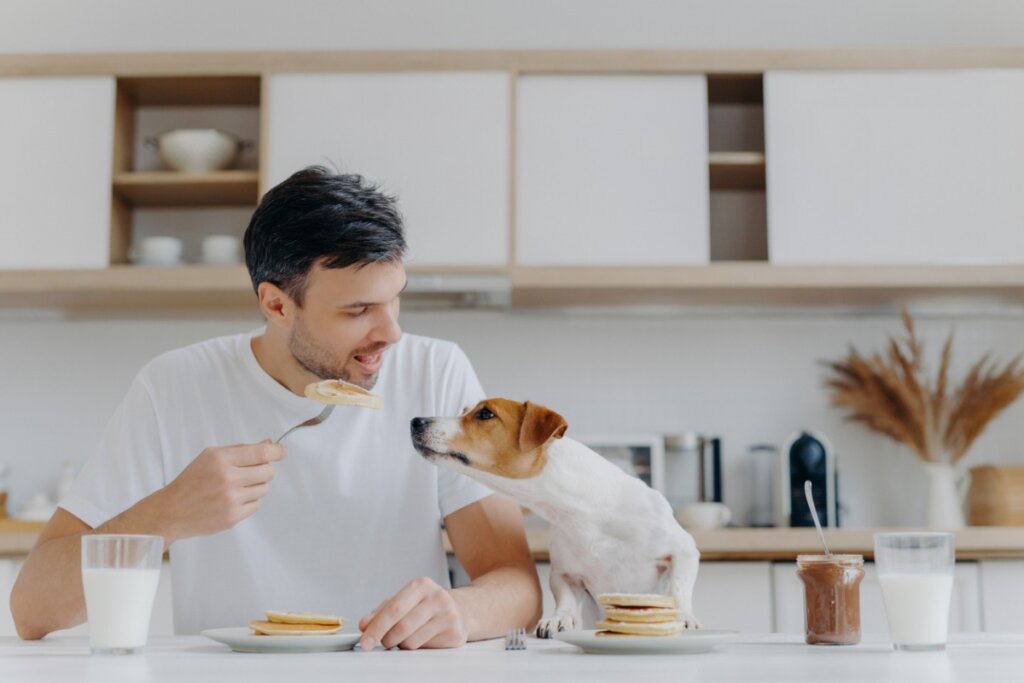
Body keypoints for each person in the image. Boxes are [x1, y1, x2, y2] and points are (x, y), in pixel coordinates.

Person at [10, 166, 542, 650]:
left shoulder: (436, 372)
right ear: (277, 304)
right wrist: (168, 513)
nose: (391, 332)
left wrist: (460, 612)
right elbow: (33, 609)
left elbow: (517, 584)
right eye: (358, 310)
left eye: (394, 298)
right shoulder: (175, 386)